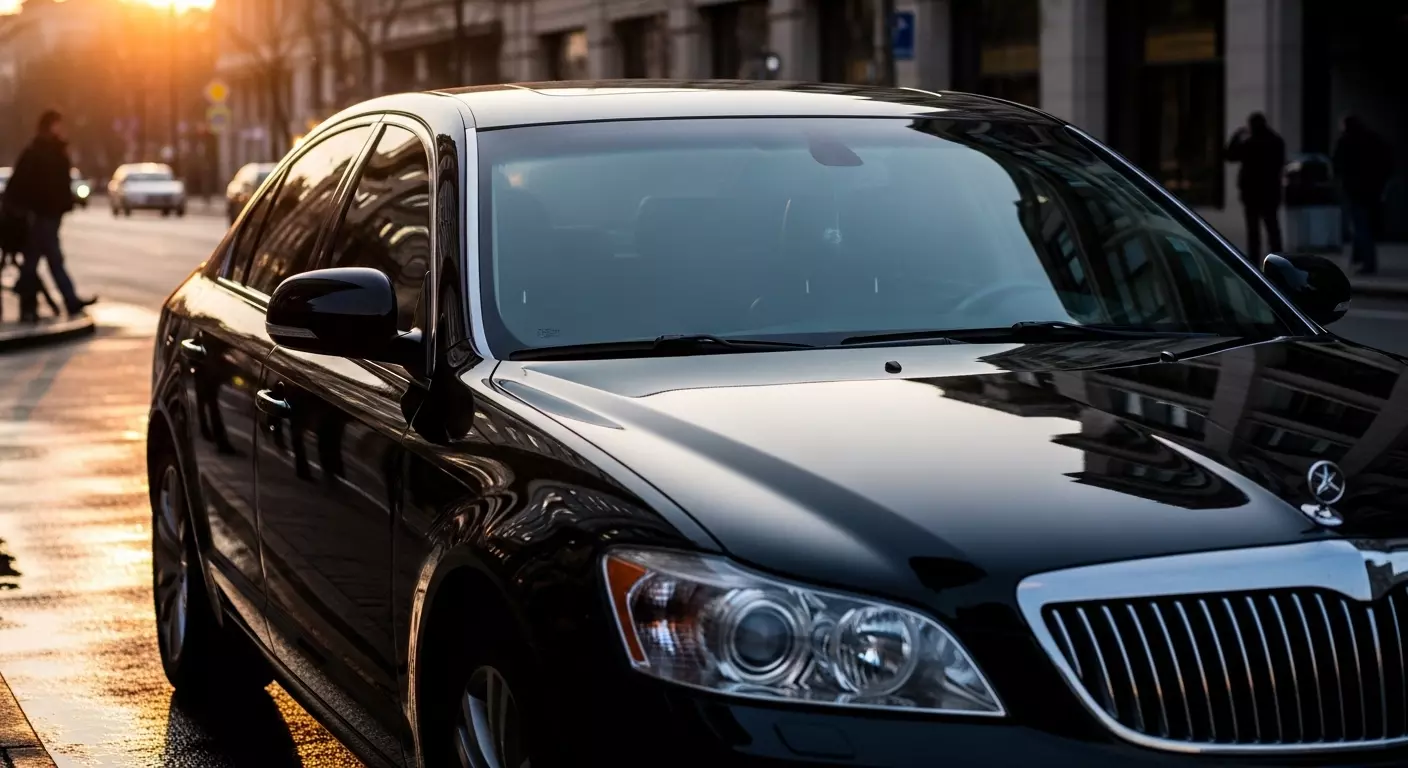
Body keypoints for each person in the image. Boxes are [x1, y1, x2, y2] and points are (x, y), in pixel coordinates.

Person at [3, 109, 96, 322]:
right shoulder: (41, 152)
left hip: (46, 213)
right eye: (57, 125)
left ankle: (33, 305)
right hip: (41, 214)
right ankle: (65, 301)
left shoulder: (47, 150)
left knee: (37, 261)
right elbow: (32, 185)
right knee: (47, 259)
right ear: (50, 126)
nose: (61, 129)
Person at [1333, 115, 1393, 275]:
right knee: (1366, 226)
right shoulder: (1373, 139)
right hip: (1372, 190)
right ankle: (1361, 259)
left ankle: (1366, 262)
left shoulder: (1346, 142)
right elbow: (1387, 162)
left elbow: (1337, 164)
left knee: (1360, 227)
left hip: (1355, 191)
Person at [1225, 112, 1286, 258]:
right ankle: (1278, 257)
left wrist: (1237, 136)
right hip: (1270, 192)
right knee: (1272, 228)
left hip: (1252, 193)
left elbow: (1229, 155)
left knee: (1254, 231)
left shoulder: (1250, 144)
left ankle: (1254, 259)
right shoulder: (1276, 141)